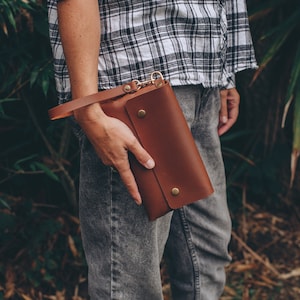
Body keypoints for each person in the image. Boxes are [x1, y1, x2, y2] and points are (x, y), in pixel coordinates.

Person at [47, 0, 257, 299]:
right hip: (134, 91)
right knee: (130, 281)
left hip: (201, 79)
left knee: (206, 260)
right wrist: (88, 108)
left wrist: (224, 76)